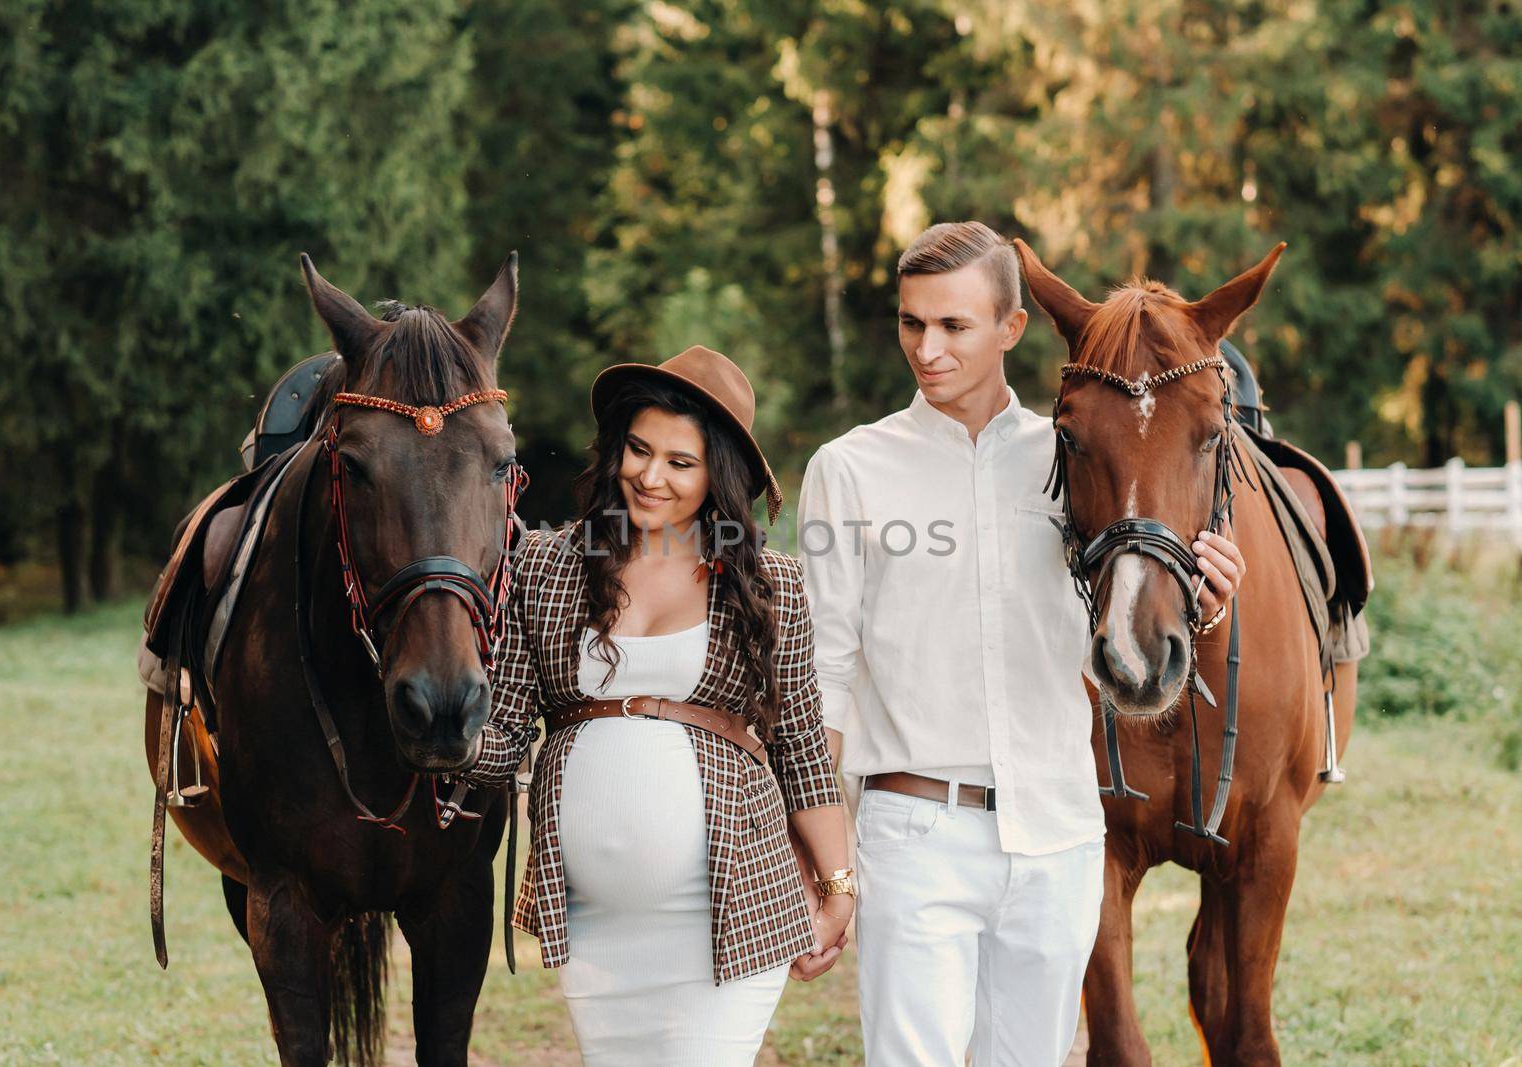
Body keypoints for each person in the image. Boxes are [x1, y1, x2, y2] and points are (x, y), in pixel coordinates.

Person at [797, 222, 1246, 1065]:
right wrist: (830, 865)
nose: (926, 350)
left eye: (953, 326)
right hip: (914, 828)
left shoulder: (1074, 456)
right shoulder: (849, 469)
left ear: (1011, 328)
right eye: (911, 323)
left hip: (1058, 833)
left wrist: (1204, 603)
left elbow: (1107, 647)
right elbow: (821, 673)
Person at [461, 344, 854, 1066]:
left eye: (680, 462)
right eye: (639, 450)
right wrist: (439, 738)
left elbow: (799, 745)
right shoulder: (545, 565)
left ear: (718, 475)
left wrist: (837, 886)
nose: (649, 475)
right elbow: (508, 726)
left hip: (729, 911)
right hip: (595, 924)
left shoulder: (768, 583)